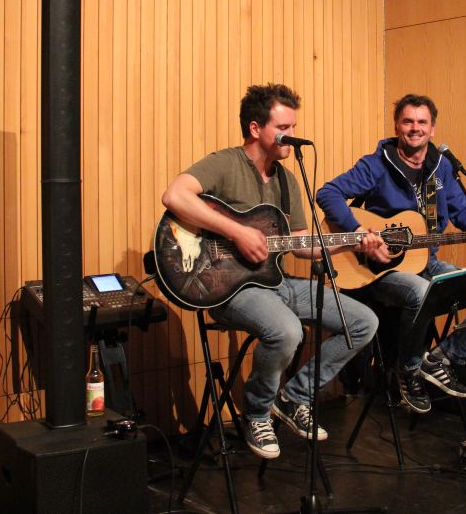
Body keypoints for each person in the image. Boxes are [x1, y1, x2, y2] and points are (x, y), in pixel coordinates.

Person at [162, 83, 381, 459]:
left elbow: (302, 245)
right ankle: (258, 413)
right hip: (227, 287)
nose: (291, 136)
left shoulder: (286, 179)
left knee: (363, 322)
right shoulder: (225, 163)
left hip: (274, 282)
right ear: (255, 128)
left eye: (294, 127)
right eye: (283, 128)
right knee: (287, 331)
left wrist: (353, 242)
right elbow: (175, 196)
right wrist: (237, 231)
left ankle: (294, 397)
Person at [316, 94, 466, 413]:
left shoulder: (441, 167)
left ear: (432, 129)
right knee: (421, 293)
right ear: (397, 126)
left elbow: (462, 211)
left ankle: (438, 360)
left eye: (422, 122)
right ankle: (407, 370)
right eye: (408, 121)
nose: (415, 128)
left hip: (427, 262)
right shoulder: (376, 165)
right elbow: (328, 193)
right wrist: (358, 231)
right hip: (381, 271)